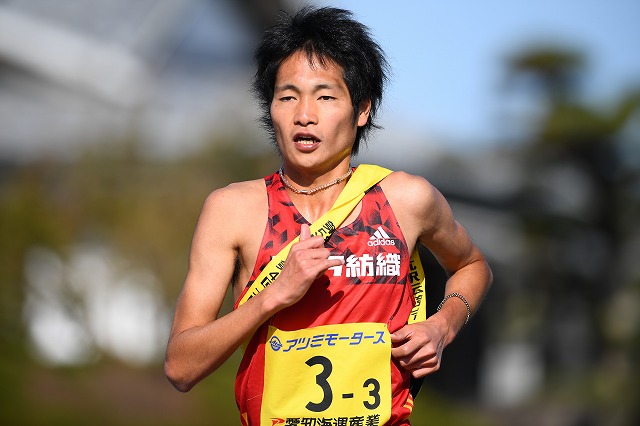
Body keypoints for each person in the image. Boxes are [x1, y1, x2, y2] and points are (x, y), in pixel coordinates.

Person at [165, 6, 492, 426]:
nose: (304, 114)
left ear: (362, 110)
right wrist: (272, 297)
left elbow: (472, 265)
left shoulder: (406, 199)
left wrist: (442, 327)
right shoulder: (233, 210)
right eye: (287, 97)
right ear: (270, 107)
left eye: (325, 96)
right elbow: (180, 367)